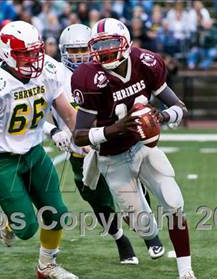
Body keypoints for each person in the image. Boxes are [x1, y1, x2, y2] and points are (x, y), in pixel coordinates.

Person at [72, 18, 210, 279]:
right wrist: (114, 130)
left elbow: (179, 107)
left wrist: (162, 115)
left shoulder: (147, 62)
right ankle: (145, 231)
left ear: (125, 43)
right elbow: (79, 136)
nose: (106, 52)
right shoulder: (87, 76)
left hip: (142, 147)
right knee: (146, 226)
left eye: (111, 44)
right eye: (100, 46)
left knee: (174, 202)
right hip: (112, 158)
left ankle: (187, 276)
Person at [0, 21, 78, 279]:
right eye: (24, 53)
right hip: (1, 161)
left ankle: (46, 266)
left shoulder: (48, 70)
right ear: (7, 53)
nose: (32, 59)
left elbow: (67, 112)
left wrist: (86, 139)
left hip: (34, 153)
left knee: (57, 212)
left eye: (35, 51)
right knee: (26, 228)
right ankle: (12, 221)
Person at [43, 23, 164, 263]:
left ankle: (149, 236)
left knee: (132, 192)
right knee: (99, 201)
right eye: (72, 51)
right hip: (81, 150)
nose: (78, 57)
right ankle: (120, 239)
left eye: (81, 51)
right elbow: (37, 117)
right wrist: (54, 130)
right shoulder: (52, 74)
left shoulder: (106, 69)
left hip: (114, 143)